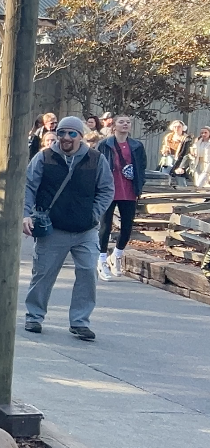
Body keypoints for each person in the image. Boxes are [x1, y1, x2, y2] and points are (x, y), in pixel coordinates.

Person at [23, 116, 114, 341]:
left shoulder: (96, 159)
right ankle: (34, 316)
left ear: (80, 136)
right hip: (53, 229)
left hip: (85, 231)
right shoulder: (44, 157)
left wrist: (93, 213)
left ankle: (80, 322)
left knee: (87, 274)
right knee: (43, 273)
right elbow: (28, 187)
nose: (65, 137)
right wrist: (26, 215)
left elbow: (107, 189)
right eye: (62, 132)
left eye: (71, 133)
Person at [96, 115, 147, 281]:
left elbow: (141, 167)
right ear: (114, 125)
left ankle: (117, 255)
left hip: (129, 190)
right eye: (121, 122)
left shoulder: (137, 146)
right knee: (105, 226)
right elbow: (96, 165)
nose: (125, 124)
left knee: (127, 226)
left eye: (128, 122)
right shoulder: (105, 144)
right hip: (108, 190)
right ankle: (102, 259)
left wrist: (140, 186)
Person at [161, 120, 191, 190]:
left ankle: (183, 195)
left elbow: (187, 153)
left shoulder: (186, 138)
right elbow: (164, 148)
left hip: (180, 160)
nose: (177, 128)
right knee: (165, 177)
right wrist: (164, 150)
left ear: (183, 128)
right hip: (168, 159)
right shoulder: (168, 137)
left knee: (180, 177)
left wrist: (182, 166)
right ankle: (164, 193)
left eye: (179, 127)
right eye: (175, 127)